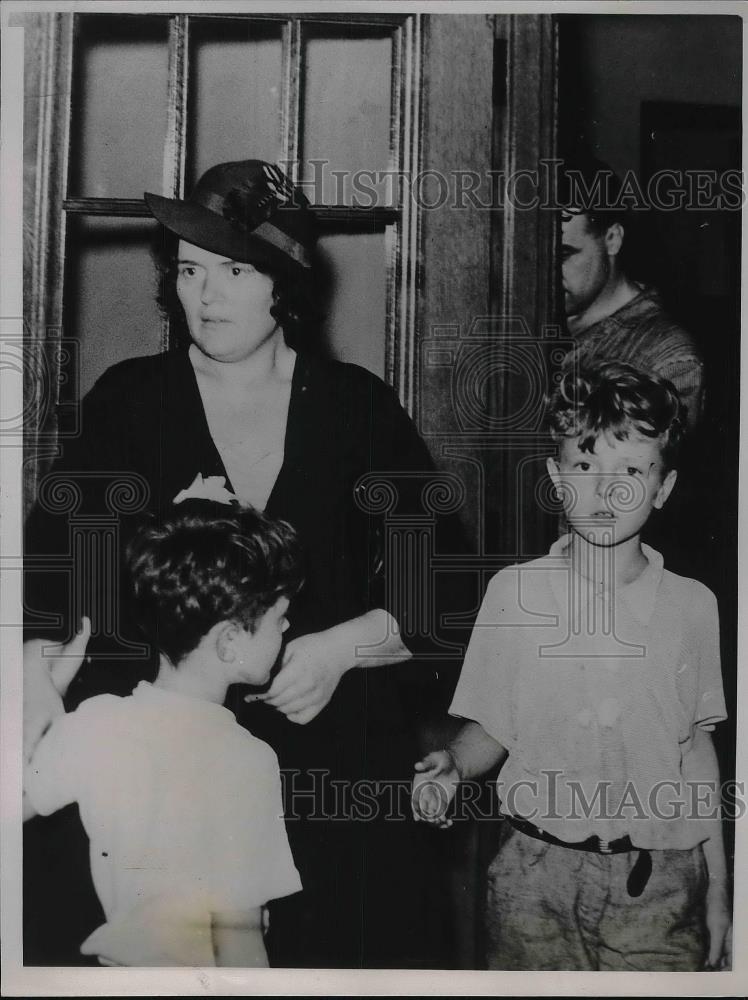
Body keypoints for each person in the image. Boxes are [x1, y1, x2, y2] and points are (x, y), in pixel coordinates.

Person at [24, 159, 460, 967]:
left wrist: (340, 649)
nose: (207, 295)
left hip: (331, 776)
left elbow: (443, 589)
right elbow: (58, 582)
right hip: (163, 780)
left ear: (284, 284)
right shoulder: (129, 403)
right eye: (189, 270)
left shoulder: (356, 407)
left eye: (235, 269)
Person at [412, 361, 732, 971]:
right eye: (586, 467)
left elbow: (695, 754)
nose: (606, 491)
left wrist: (721, 890)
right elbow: (494, 727)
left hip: (659, 885)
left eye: (632, 470)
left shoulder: (692, 607)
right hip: (532, 880)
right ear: (558, 479)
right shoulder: (515, 593)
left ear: (664, 488)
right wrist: (453, 764)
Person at [24, 499, 303, 967]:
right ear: (229, 641)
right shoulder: (248, 759)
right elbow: (240, 940)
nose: (288, 627)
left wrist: (44, 701)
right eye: (279, 619)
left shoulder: (97, 721)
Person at [559, 158, 704, 429]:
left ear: (612, 238)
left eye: (564, 254)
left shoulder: (666, 357)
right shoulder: (536, 319)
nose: (549, 270)